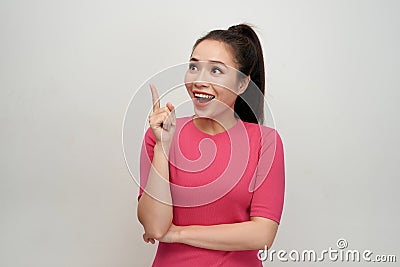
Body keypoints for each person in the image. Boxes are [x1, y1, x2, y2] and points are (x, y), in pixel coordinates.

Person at [137, 23, 285, 266]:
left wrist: (179, 233)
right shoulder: (160, 135)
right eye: (194, 67)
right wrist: (163, 147)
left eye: (216, 71)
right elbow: (154, 226)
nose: (199, 80)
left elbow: (263, 234)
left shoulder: (265, 142)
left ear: (242, 84)